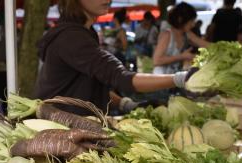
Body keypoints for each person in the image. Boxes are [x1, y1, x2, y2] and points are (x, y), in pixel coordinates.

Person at [35, 0, 202, 114]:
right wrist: (180, 79)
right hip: (58, 131)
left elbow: (92, 86)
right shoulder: (71, 38)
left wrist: (125, 104)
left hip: (75, 124)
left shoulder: (86, 32)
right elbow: (121, 77)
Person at [152, 2, 209, 75]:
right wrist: (182, 56)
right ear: (180, 19)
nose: (193, 24)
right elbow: (156, 61)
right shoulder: (167, 34)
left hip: (173, 79)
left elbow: (203, 43)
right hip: (160, 78)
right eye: (191, 21)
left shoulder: (186, 34)